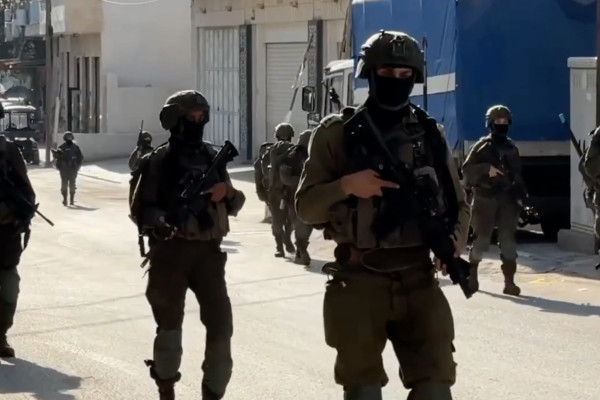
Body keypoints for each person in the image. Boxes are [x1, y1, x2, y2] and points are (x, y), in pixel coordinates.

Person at [295, 30, 471, 400]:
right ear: (370, 74)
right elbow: (306, 208)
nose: (396, 80)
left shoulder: (428, 133)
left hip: (419, 279)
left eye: (405, 74)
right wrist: (347, 186)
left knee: (436, 389)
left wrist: (452, 243)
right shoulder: (336, 134)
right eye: (387, 72)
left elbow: (459, 204)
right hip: (359, 279)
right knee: (364, 392)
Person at [132, 90, 245, 400]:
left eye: (201, 117)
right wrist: (160, 222)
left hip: (209, 255)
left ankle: (213, 392)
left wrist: (226, 193)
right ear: (175, 121)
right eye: (190, 118)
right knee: (169, 329)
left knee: (221, 328)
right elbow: (142, 208)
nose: (197, 123)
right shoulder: (159, 160)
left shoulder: (212, 157)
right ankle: (166, 386)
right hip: (171, 254)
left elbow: (237, 202)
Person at [462, 105, 525, 296]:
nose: (502, 124)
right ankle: (472, 275)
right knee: (481, 242)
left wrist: (522, 197)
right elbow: (466, 172)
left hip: (507, 200)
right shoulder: (481, 147)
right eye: (498, 121)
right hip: (485, 199)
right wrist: (485, 169)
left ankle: (509, 283)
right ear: (490, 123)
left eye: (505, 121)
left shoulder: (512, 148)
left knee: (508, 242)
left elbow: (517, 176)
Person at [0, 134, 36, 358]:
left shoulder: (8, 150)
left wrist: (21, 213)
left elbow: (27, 190)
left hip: (5, 232)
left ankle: (0, 334)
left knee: (9, 288)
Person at [279, 129, 313, 265]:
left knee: (307, 224)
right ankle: (302, 251)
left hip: (309, 196)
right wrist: (303, 181)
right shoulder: (291, 156)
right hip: (294, 196)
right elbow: (285, 178)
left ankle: (300, 251)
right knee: (300, 224)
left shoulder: (314, 156)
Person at [268, 123, 296, 258]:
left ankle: (281, 244)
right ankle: (283, 243)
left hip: (281, 191)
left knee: (281, 220)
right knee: (285, 220)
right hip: (285, 191)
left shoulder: (274, 149)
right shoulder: (291, 149)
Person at [55, 131, 84, 206]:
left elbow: (57, 159)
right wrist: (77, 167)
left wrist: (59, 166)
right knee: (71, 184)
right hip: (71, 168)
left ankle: (66, 200)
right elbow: (80, 158)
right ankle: (70, 200)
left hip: (65, 169)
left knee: (65, 184)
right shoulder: (75, 147)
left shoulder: (62, 147)